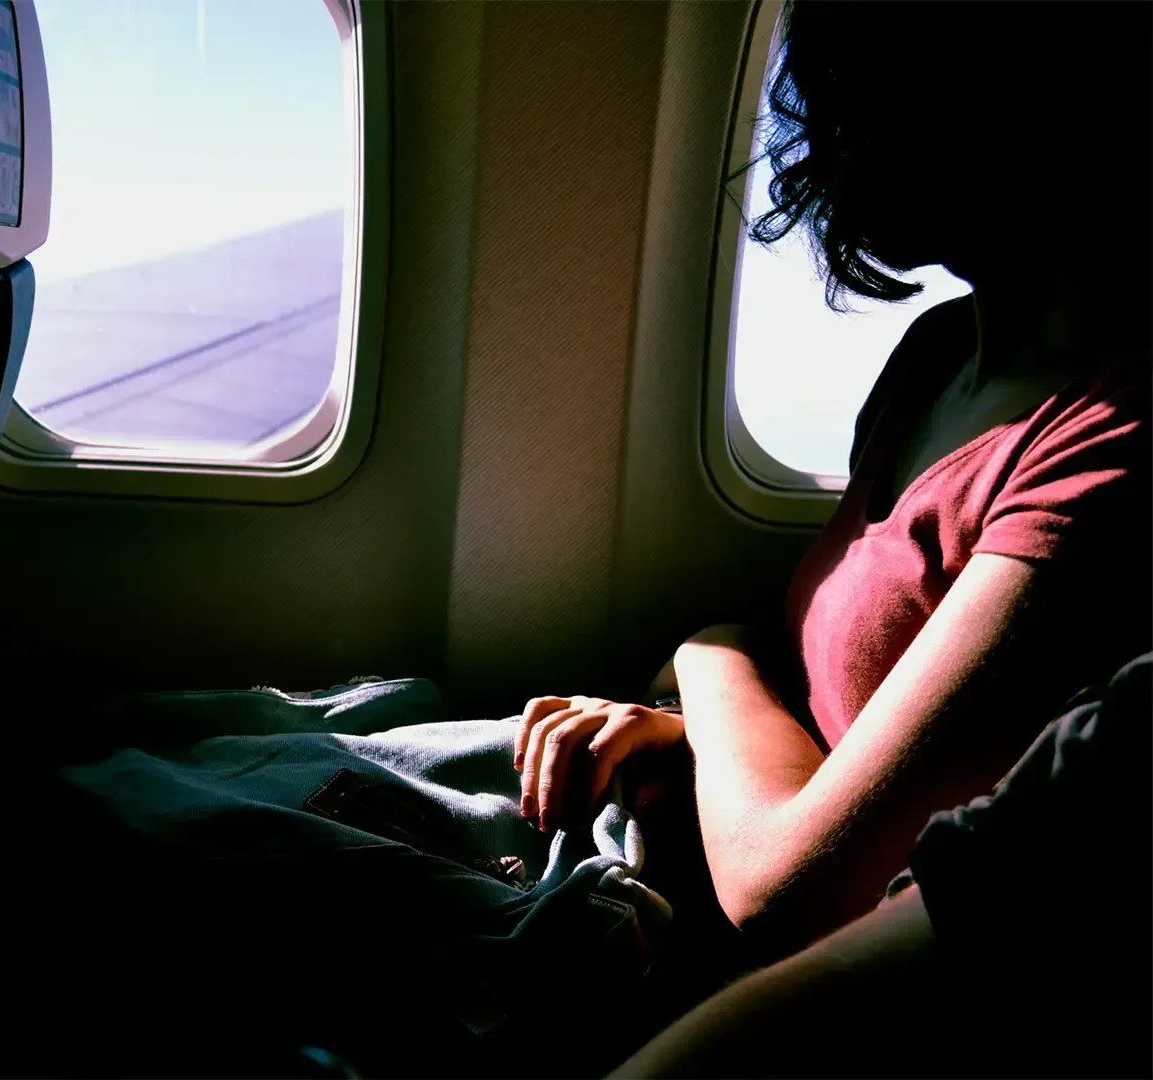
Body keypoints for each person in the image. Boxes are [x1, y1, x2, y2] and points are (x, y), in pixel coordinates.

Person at [512, 0, 1152, 957]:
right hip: (694, 833)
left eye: (861, 95)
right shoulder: (935, 359)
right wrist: (684, 737)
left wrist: (708, 654)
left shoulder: (1111, 439)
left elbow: (794, 889)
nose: (823, 139)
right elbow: (834, 738)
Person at [610, 652, 1152, 1079]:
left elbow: (785, 888)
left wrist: (711, 649)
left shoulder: (1123, 735)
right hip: (716, 804)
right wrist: (686, 723)